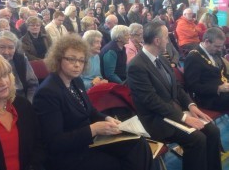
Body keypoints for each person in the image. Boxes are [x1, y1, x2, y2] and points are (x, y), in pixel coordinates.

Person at [33, 33, 152, 170]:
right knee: (118, 163)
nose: (77, 65)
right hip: (69, 154)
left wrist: (107, 118)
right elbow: (55, 142)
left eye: (81, 60)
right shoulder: (47, 93)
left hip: (88, 141)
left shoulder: (76, 81)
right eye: (71, 59)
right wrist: (93, 129)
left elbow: (90, 110)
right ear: (58, 59)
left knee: (138, 144)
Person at [127, 21, 221, 170]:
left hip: (173, 111)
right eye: (166, 37)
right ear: (157, 41)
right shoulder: (136, 66)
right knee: (197, 139)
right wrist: (184, 117)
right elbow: (152, 102)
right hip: (156, 119)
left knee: (213, 131)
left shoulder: (161, 57)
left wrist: (191, 105)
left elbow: (177, 87)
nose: (168, 40)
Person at [184, 27, 229, 111]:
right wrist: (218, 88)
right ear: (207, 42)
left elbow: (221, 73)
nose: (219, 49)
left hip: (223, 91)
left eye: (221, 46)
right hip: (208, 98)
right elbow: (192, 86)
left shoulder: (215, 51)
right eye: (217, 46)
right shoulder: (193, 57)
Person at [0, 31, 38, 102]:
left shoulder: (22, 59)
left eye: (11, 48)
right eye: (2, 47)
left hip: (21, 98)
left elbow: (32, 85)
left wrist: (29, 102)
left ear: (15, 48)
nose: (6, 52)